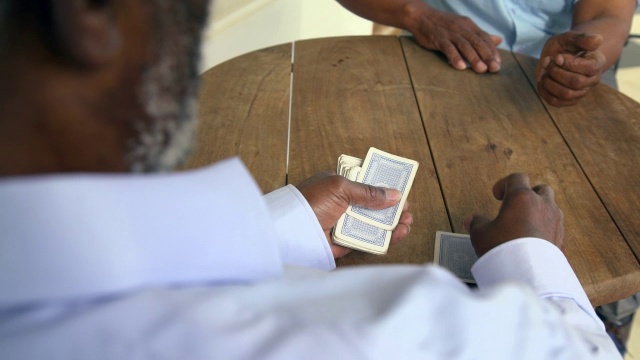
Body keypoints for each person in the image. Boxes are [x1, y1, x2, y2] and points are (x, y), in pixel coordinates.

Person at [0, 0, 621, 358]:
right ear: (88, 15)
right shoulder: (359, 331)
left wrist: (283, 231)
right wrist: (530, 256)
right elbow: (574, 350)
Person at [336, 0, 637, 107]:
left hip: (561, 70)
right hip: (441, 55)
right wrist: (417, 15)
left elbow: (609, 12)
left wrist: (585, 56)